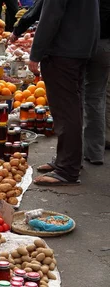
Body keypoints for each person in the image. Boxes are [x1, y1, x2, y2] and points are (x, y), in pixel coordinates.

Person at [29, 0, 99, 185]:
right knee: (73, 107)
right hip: (79, 49)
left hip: (63, 52)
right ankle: (68, 160)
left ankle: (67, 169)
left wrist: (36, 53)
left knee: (66, 110)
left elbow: (50, 16)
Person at [82, 0, 110, 165]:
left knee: (75, 98)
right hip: (106, 45)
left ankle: (71, 156)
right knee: (96, 98)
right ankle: (95, 153)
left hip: (85, 43)